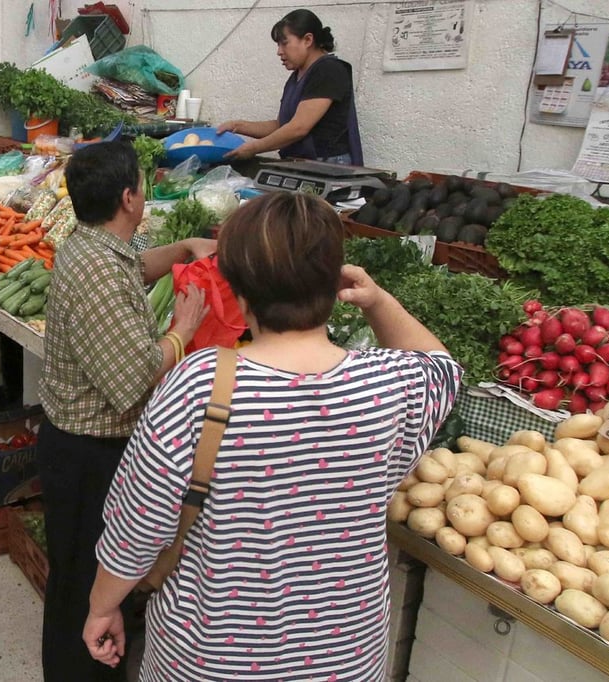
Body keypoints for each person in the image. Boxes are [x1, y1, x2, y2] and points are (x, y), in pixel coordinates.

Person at [82, 191, 461, 680]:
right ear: (336, 281)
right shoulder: (391, 385)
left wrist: (100, 607)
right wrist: (378, 300)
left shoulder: (200, 384)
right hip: (343, 658)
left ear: (238, 285)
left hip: (210, 657)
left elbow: (137, 528)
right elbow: (443, 366)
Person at [37, 140, 214, 681]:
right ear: (130, 198)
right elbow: (134, 378)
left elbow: (134, 270)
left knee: (79, 575)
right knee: (88, 584)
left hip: (82, 447)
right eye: (143, 186)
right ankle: (82, 670)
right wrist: (183, 329)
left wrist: (183, 248)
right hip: (90, 455)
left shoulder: (94, 246)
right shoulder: (97, 272)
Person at [217, 9, 363, 165]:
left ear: (307, 40)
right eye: (278, 45)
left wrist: (253, 148)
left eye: (284, 43)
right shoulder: (296, 77)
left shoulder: (328, 70)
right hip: (302, 163)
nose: (279, 52)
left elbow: (298, 128)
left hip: (328, 165)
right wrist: (237, 126)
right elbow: (281, 126)